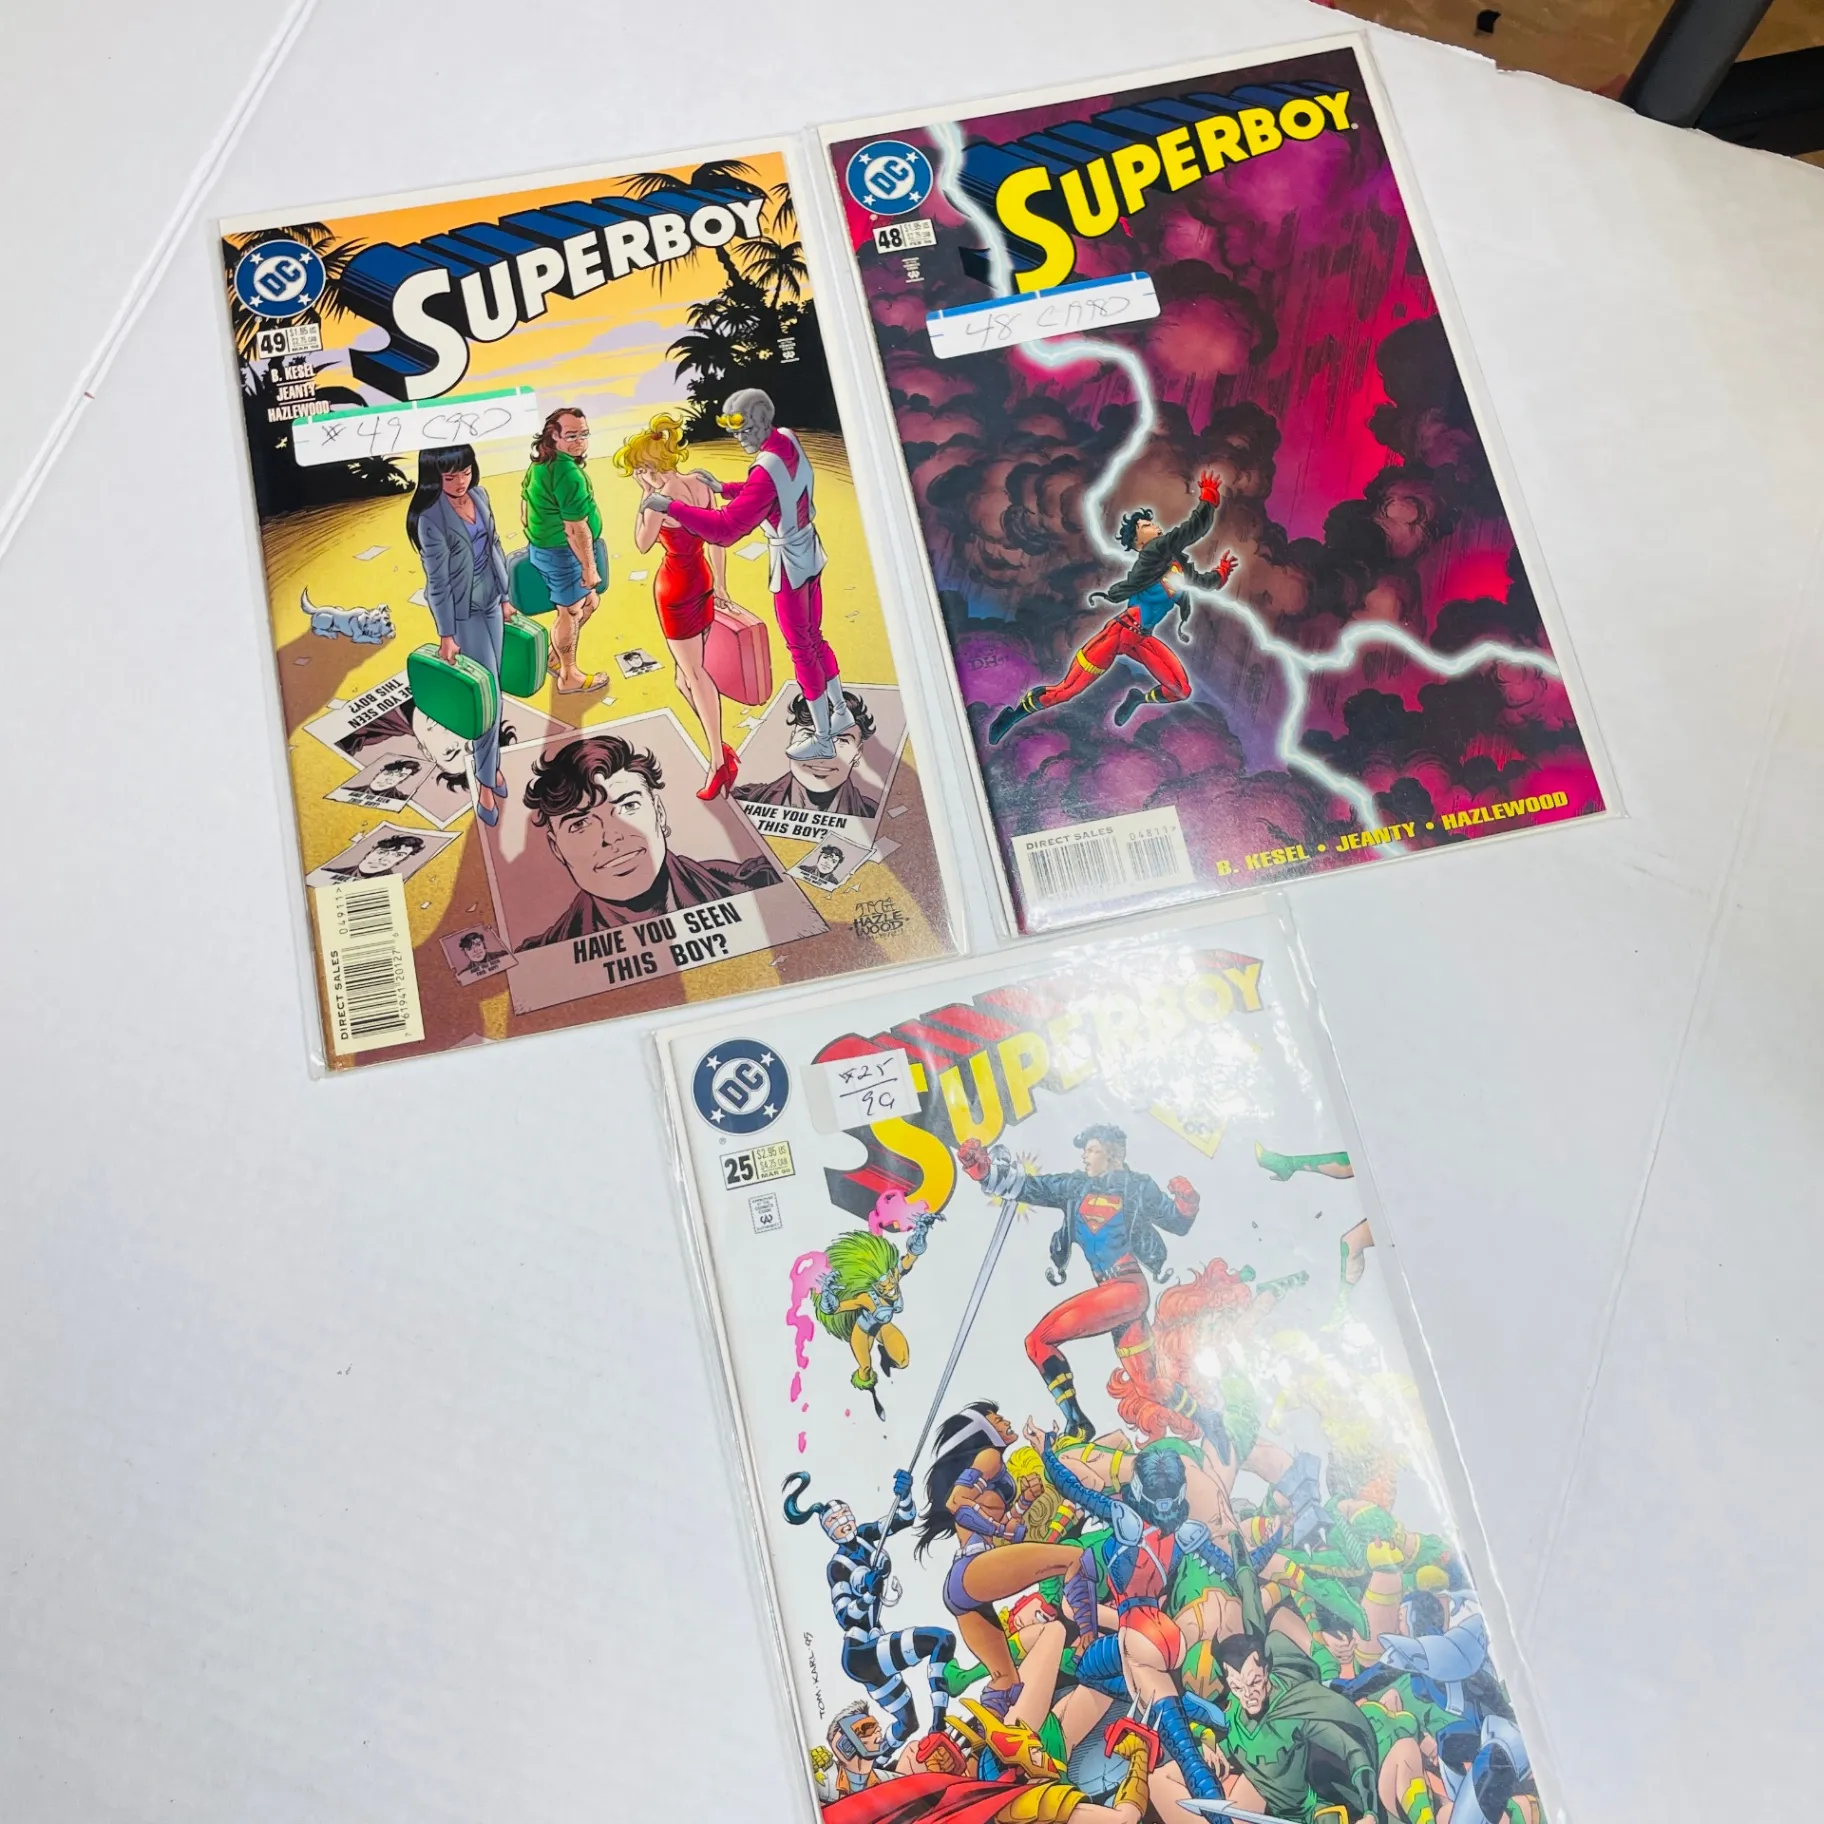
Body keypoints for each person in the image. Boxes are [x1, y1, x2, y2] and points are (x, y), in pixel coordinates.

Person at [958, 1130, 1214, 1449]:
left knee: (1038, 1341)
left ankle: (1077, 1422)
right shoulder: (1075, 1186)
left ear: (1113, 1154)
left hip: (1128, 1288)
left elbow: (1177, 1223)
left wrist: (1188, 1202)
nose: (1084, 1156)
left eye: (1091, 1150)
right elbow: (1029, 1187)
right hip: (1111, 1291)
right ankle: (1210, 1421)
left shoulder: (1138, 1187)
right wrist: (983, 1170)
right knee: (1149, 1387)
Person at [642, 387, 851, 761]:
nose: (739, 437)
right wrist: (722, 488)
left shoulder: (764, 468)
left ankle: (823, 737)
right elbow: (768, 490)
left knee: (802, 648)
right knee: (814, 637)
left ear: (763, 421)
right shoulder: (785, 441)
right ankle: (839, 711)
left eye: (745, 429)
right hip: (809, 548)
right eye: (734, 430)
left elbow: (726, 529)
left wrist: (672, 507)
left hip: (790, 562)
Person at [987, 473, 1237, 743]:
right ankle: (1014, 715)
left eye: (1152, 523)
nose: (1155, 527)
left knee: (1181, 690)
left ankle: (1137, 698)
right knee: (1066, 691)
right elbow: (1190, 531)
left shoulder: (1175, 563)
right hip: (1118, 634)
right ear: (1139, 542)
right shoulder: (1152, 554)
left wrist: (1221, 573)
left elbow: (1202, 582)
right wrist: (1208, 498)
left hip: (1141, 639)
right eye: (1146, 526)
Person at [912, 1402, 1099, 1718]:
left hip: (965, 1584)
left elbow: (999, 1523)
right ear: (982, 1430)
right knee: (1076, 1559)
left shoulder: (995, 1470)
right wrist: (1001, 1529)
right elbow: (958, 1503)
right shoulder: (989, 1456)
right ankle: (1089, 1646)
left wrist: (1023, 1502)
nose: (1006, 1421)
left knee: (1006, 1680)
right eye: (997, 1419)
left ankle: (987, 1741)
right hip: (973, 1568)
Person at [514, 734, 779, 946]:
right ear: (557, 848)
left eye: (628, 806)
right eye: (581, 824)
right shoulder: (543, 956)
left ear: (659, 812)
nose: (611, 836)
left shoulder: (755, 885)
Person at [781, 1467, 957, 1751]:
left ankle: (878, 1758)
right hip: (861, 1653)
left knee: (908, 1723)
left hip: (874, 1647)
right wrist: (866, 1594)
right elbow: (845, 1616)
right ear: (827, 1531)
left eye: (845, 1514)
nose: (843, 1522)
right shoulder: (838, 1566)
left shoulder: (865, 1536)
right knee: (941, 1640)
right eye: (834, 1520)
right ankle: (939, 1726)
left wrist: (904, 1495)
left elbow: (902, 1519)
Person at [613, 413, 739, 798]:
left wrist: (643, 498)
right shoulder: (700, 482)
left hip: (676, 589)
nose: (639, 476)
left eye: (640, 470)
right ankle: (721, 748)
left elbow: (641, 544)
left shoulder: (659, 502)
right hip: (702, 578)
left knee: (695, 676)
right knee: (684, 679)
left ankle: (718, 763)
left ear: (650, 466)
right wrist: (721, 584)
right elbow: (717, 538)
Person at [406, 443, 516, 825]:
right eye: (450, 476)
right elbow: (436, 582)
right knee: (486, 698)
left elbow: (495, 545)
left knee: (495, 690)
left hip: (492, 601)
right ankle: (486, 781)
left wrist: (505, 596)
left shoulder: (480, 496)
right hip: (464, 613)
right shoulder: (430, 518)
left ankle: (489, 768)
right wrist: (446, 634)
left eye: (465, 472)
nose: (460, 482)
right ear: (434, 478)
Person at [521, 407, 609, 695]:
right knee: (570, 611)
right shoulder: (568, 474)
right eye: (571, 435)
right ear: (553, 437)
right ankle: (568, 675)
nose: (580, 441)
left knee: (589, 603)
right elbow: (575, 528)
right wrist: (589, 568)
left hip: (547, 549)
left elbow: (524, 508)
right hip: (563, 553)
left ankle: (554, 655)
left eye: (584, 434)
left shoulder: (541, 465)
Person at [734, 690, 880, 817]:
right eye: (810, 736)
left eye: (841, 741)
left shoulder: (874, 815)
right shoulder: (741, 801)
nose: (824, 754)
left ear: (858, 753)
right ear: (792, 741)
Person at [320, 831, 425, 883]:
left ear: (400, 861)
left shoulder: (389, 884)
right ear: (371, 851)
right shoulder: (329, 872)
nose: (383, 859)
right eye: (382, 852)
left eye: (397, 855)